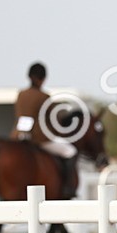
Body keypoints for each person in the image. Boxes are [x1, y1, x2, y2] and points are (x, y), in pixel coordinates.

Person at [12, 62, 78, 198]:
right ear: (42, 79)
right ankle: (68, 187)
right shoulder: (44, 97)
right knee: (70, 151)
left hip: (17, 136)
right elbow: (54, 119)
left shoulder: (20, 94)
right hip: (38, 138)